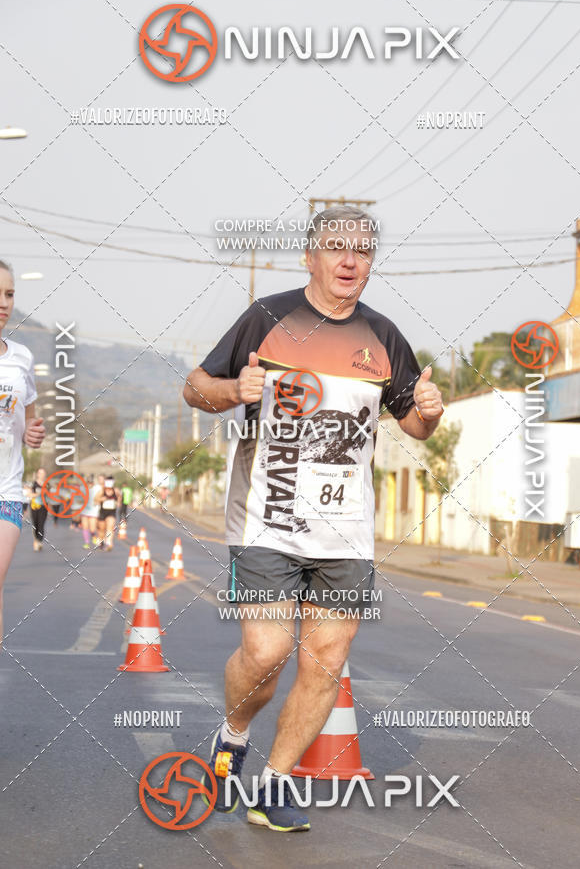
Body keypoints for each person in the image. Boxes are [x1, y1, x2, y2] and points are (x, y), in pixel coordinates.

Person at [183, 207, 444, 831]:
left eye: (362, 250)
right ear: (310, 256)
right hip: (266, 520)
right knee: (267, 653)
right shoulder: (268, 318)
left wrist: (431, 412)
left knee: (326, 659)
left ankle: (274, 784)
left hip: (346, 530)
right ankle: (234, 732)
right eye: (336, 247)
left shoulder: (383, 336)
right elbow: (195, 386)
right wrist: (233, 392)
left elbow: (414, 423)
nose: (350, 261)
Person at [0, 259, 45, 643]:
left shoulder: (21, 358)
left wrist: (33, 433)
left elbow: (30, 419)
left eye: (9, 294)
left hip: (6, 490)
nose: (3, 302)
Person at [95, 476, 118, 550]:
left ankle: (109, 542)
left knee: (110, 527)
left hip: (111, 512)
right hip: (102, 512)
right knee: (102, 529)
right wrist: (102, 499)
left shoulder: (116, 490)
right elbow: (95, 499)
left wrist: (118, 502)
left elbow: (119, 497)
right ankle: (101, 541)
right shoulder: (102, 491)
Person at [29, 466, 48, 552]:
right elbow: (29, 494)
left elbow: (51, 496)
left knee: (41, 524)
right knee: (35, 524)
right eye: (40, 473)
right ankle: (36, 540)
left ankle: (39, 541)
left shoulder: (47, 484)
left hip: (44, 507)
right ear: (37, 474)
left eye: (43, 473)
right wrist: (38, 494)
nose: (42, 475)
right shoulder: (34, 484)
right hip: (34, 507)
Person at [80, 476, 98, 549]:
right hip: (84, 511)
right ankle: (86, 543)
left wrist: (97, 501)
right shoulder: (82, 489)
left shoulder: (96, 489)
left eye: (91, 483)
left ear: (93, 483)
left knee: (92, 529)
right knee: (85, 527)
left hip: (93, 512)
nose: (89, 484)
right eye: (88, 483)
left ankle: (93, 536)